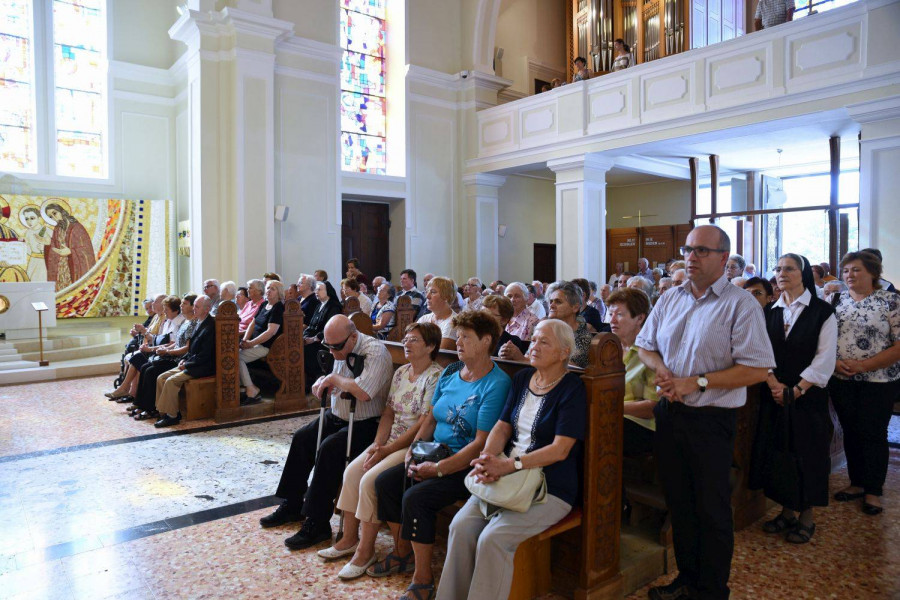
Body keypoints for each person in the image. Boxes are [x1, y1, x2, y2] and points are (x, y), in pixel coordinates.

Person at [635, 225, 774, 600]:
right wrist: (661, 369)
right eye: (688, 249)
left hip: (710, 420)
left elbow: (758, 369)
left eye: (702, 251)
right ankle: (687, 581)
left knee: (710, 510)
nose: (691, 257)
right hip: (670, 414)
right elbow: (645, 344)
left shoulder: (739, 304)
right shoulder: (670, 298)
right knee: (679, 504)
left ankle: (711, 591)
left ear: (724, 259)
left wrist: (694, 382)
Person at [437, 319, 585, 600]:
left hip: (549, 487)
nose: (534, 346)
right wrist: (487, 458)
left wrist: (510, 465)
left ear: (564, 352)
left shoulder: (571, 388)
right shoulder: (522, 379)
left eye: (544, 342)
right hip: (505, 473)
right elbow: (502, 426)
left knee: (493, 538)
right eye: (535, 339)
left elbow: (560, 449)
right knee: (461, 526)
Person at [370, 311, 511, 600]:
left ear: (486, 341)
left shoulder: (496, 383)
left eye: (466, 337)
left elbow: (482, 443)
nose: (458, 341)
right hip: (433, 452)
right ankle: (403, 552)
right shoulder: (451, 372)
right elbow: (431, 419)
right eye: (457, 335)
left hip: (465, 464)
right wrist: (414, 450)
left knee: (416, 497)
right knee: (385, 483)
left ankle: (423, 579)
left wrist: (439, 469)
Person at [321, 323, 443, 579]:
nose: (407, 344)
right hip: (387, 439)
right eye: (406, 339)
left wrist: (388, 449)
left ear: (431, 346)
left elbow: (423, 422)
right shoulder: (401, 373)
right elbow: (388, 412)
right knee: (352, 472)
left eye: (415, 340)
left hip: (411, 445)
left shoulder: (435, 376)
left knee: (369, 481)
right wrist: (378, 444)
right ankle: (349, 539)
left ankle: (365, 552)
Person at [261, 315, 394, 549]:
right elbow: (340, 379)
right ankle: (292, 504)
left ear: (353, 337)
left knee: (330, 449)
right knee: (303, 437)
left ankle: (317, 522)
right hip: (338, 415)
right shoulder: (340, 345)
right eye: (328, 346)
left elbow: (363, 391)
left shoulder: (376, 352)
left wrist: (334, 378)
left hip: (366, 423)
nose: (332, 352)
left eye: (337, 347)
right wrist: (325, 381)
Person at [749, 254, 836, 544]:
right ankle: (786, 511)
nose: (781, 273)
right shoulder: (770, 311)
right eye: (778, 269)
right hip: (774, 393)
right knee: (779, 453)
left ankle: (807, 516)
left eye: (789, 268)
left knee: (807, 454)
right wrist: (774, 383)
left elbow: (825, 358)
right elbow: (760, 351)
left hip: (808, 395)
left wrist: (796, 389)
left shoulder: (822, 312)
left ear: (803, 274)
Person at [829, 250, 900, 516]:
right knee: (851, 430)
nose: (849, 275)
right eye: (846, 270)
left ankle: (873, 490)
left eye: (856, 270)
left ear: (873, 272)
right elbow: (825, 339)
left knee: (873, 433)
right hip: (841, 378)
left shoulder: (891, 301)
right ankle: (856, 482)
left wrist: (864, 365)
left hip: (879, 380)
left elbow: (899, 345)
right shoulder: (836, 300)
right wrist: (835, 363)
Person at [131, 294, 199, 421]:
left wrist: (167, 352)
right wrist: (165, 350)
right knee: (145, 367)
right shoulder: (186, 322)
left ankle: (151, 409)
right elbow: (176, 343)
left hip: (179, 358)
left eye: (184, 304)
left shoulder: (192, 323)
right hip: (173, 355)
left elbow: (186, 348)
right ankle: (141, 404)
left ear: (193, 307)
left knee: (151, 371)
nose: (181, 306)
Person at [607, 288, 657, 457]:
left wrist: (610, 408)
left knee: (599, 432)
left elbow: (653, 407)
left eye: (619, 314)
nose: (612, 320)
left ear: (640, 318)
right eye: (610, 313)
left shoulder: (652, 353)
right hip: (608, 416)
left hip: (640, 424)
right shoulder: (607, 349)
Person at [153, 295, 216, 427]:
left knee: (171, 381)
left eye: (197, 306)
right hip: (191, 362)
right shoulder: (198, 322)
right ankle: (164, 412)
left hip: (202, 367)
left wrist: (186, 364)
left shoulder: (210, 327)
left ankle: (172, 416)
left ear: (207, 309)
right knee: (161, 377)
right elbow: (191, 348)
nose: (194, 309)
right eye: (194, 306)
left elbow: (204, 355)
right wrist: (184, 360)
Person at [501, 281, 593, 369]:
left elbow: (568, 368)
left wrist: (521, 359)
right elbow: (529, 356)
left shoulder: (583, 336)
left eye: (558, 302)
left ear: (575, 307)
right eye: (551, 301)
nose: (551, 306)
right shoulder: (543, 329)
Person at [238, 280, 285, 404]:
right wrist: (245, 339)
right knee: (233, 355)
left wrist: (251, 343)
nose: (269, 290)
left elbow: (271, 332)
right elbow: (253, 323)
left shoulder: (278, 307)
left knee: (236, 358)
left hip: (266, 346)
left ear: (279, 293)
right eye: (268, 288)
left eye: (273, 289)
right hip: (254, 343)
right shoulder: (264, 305)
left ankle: (251, 389)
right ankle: (244, 389)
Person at [44, 201, 96, 291]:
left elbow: (87, 250)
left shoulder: (77, 228)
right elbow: (53, 246)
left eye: (55, 213)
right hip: (60, 269)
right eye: (51, 217)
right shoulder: (57, 229)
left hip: (73, 268)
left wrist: (71, 251)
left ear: (62, 211)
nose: (54, 217)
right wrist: (48, 244)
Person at [304, 280, 344, 387]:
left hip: (324, 342)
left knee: (305, 351)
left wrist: (312, 339)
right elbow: (311, 325)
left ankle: (310, 381)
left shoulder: (334, 306)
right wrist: (304, 336)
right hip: (312, 339)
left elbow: (330, 329)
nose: (316, 291)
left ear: (328, 291)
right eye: (316, 289)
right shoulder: (319, 305)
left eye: (319, 289)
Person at [418, 276, 458, 342]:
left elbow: (440, 351)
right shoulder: (424, 319)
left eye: (433, 292)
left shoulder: (453, 322)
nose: (427, 296)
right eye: (427, 291)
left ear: (446, 297)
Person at [20, 206, 51, 282]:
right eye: (26, 219)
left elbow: (57, 247)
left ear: (39, 218)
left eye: (32, 218)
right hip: (33, 261)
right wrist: (23, 244)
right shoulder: (28, 232)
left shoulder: (47, 230)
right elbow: (29, 250)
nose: (29, 221)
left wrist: (45, 248)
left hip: (45, 262)